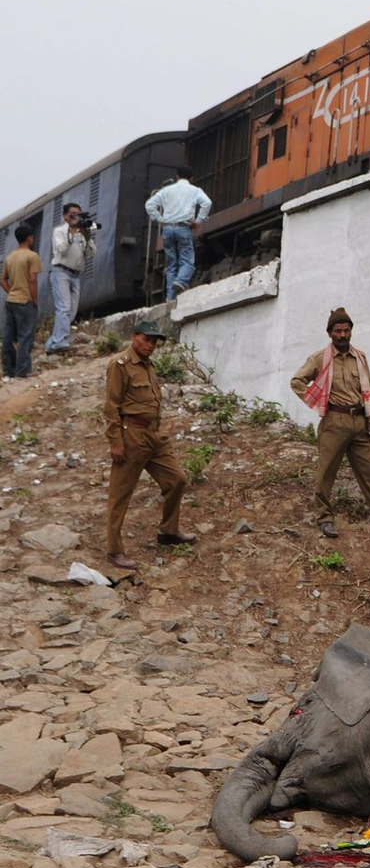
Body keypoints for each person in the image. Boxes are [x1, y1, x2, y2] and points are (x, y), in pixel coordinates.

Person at [290, 307, 370, 538]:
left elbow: (367, 389)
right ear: (330, 333)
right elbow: (297, 381)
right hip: (334, 421)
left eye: (346, 330)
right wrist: (318, 399)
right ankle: (324, 518)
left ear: (351, 331)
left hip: (359, 422)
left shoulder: (360, 358)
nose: (342, 335)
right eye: (337, 331)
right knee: (326, 471)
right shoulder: (320, 358)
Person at [103, 318, 195, 568]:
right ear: (134, 337)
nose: (151, 345)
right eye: (146, 339)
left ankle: (168, 532)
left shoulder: (149, 366)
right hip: (131, 435)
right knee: (120, 494)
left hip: (154, 435)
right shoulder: (120, 365)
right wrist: (116, 442)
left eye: (154, 341)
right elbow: (111, 406)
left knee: (177, 479)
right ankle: (114, 550)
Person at [144, 166, 212, 301]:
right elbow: (207, 203)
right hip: (183, 228)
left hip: (167, 230)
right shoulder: (195, 190)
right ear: (191, 179)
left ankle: (170, 298)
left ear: (177, 177)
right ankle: (180, 282)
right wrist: (198, 221)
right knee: (187, 262)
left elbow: (149, 205)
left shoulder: (167, 191)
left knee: (171, 265)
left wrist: (160, 219)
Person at [45, 202, 96, 353]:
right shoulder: (59, 231)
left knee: (71, 311)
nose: (75, 217)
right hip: (60, 272)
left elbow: (91, 254)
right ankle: (59, 341)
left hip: (75, 275)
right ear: (65, 216)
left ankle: (51, 344)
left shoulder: (82, 233)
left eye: (78, 214)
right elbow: (62, 250)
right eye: (72, 214)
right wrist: (72, 233)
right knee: (64, 308)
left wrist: (87, 238)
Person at [2, 225, 42, 379]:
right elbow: (33, 280)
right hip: (25, 301)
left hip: (11, 300)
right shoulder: (32, 256)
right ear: (29, 238)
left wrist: (12, 291)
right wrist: (34, 300)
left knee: (8, 337)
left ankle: (8, 370)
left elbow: (2, 280)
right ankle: (23, 371)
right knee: (25, 336)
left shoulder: (9, 257)